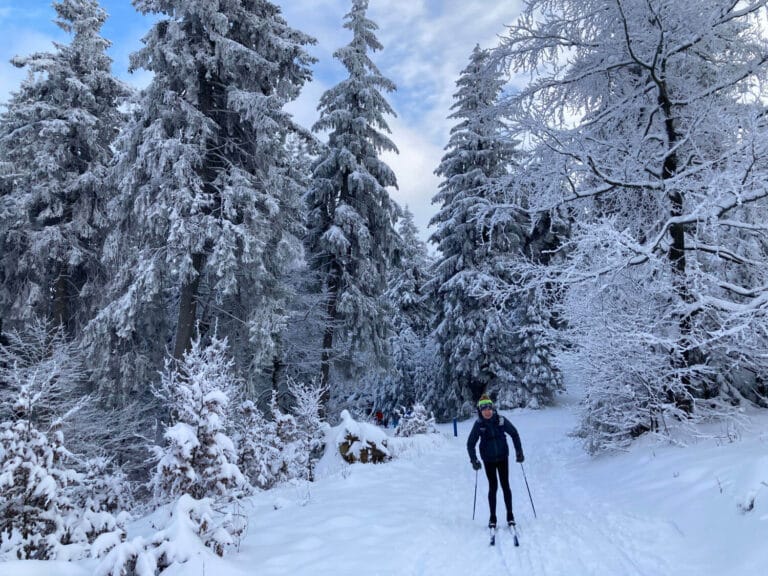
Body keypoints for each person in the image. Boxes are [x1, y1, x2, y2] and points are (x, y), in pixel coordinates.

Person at [466, 394, 524, 529]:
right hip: (489, 460)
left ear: (492, 408)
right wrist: (474, 460)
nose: (487, 412)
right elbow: (470, 444)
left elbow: (514, 433)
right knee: (493, 487)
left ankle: (510, 516)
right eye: (484, 409)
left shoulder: (501, 421)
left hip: (503, 458)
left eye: (489, 408)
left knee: (505, 486)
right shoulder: (479, 425)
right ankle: (493, 517)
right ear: (480, 410)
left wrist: (519, 451)